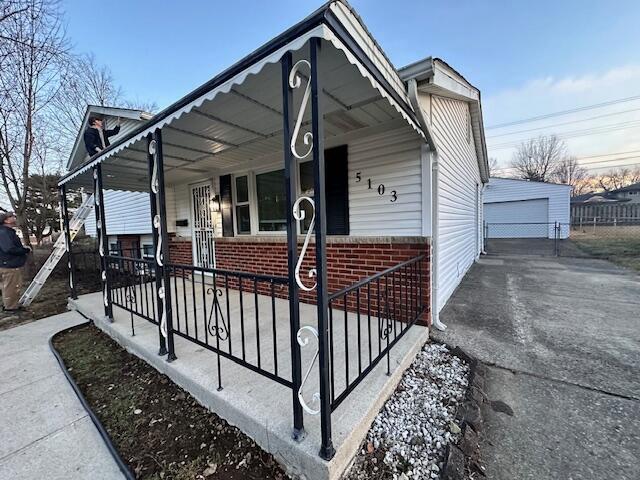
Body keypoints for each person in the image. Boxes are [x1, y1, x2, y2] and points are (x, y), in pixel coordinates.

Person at [0, 212, 30, 311]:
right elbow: (9, 249)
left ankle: (11, 305)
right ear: (6, 220)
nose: (14, 218)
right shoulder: (4, 232)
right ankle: (11, 308)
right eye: (11, 216)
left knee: (10, 286)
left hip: (8, 264)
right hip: (9, 265)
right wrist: (25, 250)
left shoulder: (7, 232)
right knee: (10, 287)